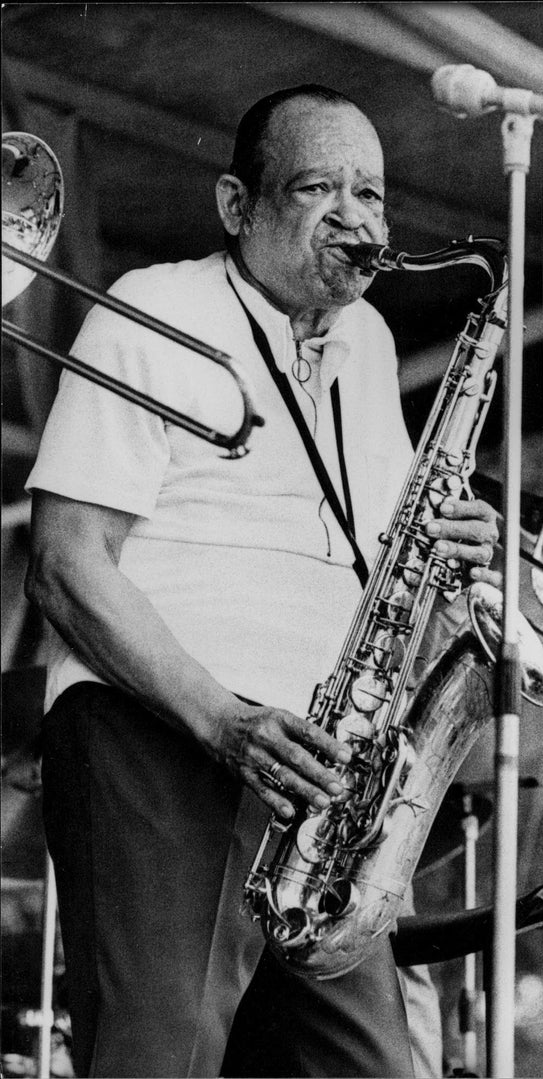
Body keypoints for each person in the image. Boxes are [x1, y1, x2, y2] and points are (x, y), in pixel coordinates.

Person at [24, 84, 501, 1079]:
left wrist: (451, 556)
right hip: (160, 733)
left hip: (319, 781)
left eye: (370, 194)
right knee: (161, 1054)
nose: (357, 221)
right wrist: (220, 719)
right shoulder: (155, 308)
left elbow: (385, 566)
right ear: (236, 205)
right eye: (318, 187)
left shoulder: (366, 345)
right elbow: (66, 565)